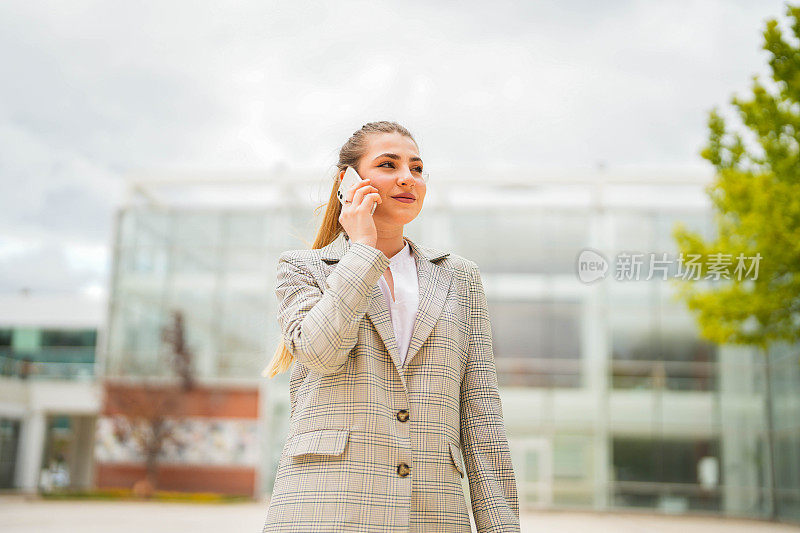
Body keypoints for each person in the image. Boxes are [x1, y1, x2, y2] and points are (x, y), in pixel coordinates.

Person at [262, 121, 519, 532]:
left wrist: (501, 527)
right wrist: (361, 250)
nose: (407, 178)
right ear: (348, 182)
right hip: (325, 506)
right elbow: (321, 353)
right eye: (388, 164)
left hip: (432, 510)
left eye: (417, 168)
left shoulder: (459, 277)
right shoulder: (302, 269)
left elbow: (481, 413)